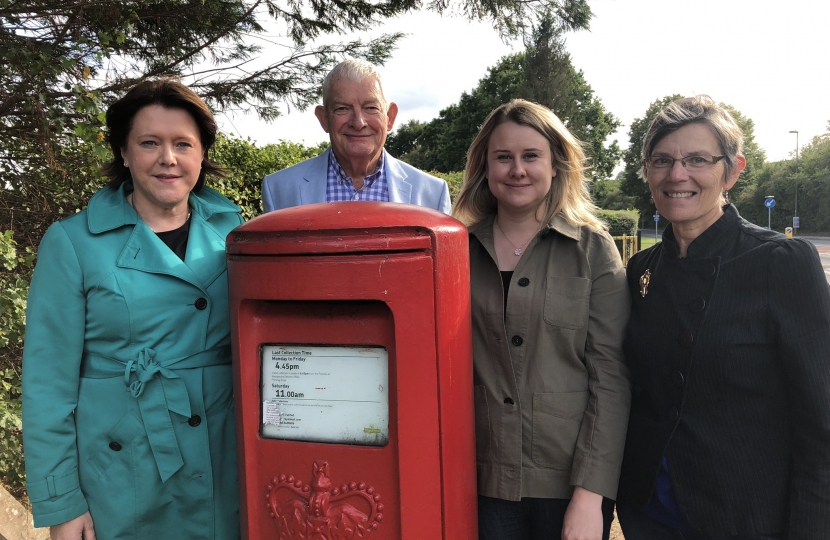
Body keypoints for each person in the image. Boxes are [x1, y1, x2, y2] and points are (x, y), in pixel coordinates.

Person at [22, 78, 243, 540]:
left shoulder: (236, 234)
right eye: (149, 143)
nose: (168, 158)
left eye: (183, 143)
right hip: (123, 469)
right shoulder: (73, 242)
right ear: (124, 153)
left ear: (201, 153)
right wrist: (62, 504)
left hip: (223, 459)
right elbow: (47, 388)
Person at [616, 95, 830, 539]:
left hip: (743, 518)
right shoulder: (642, 269)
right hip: (646, 513)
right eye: (662, 161)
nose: (678, 175)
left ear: (732, 170)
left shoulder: (781, 262)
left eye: (697, 159)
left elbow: (821, 423)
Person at [453, 99, 631, 540]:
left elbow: (611, 376)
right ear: (485, 167)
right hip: (481, 481)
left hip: (568, 484)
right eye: (503, 157)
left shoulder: (594, 251)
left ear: (556, 165)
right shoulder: (455, 252)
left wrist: (590, 497)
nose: (518, 169)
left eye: (531, 156)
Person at [261, 58, 451, 214]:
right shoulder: (279, 190)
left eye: (371, 108)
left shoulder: (432, 195)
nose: (358, 122)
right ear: (324, 119)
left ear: (390, 117)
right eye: (342, 109)